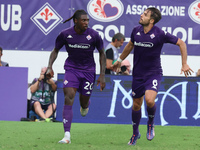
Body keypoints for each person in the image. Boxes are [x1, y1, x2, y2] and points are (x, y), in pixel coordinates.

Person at [112, 7, 193, 146]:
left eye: (145, 14)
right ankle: (135, 133)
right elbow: (130, 45)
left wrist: (184, 64)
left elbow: (181, 43)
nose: (141, 15)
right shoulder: (136, 31)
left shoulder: (160, 33)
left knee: (149, 100)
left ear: (152, 20)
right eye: (142, 13)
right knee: (136, 104)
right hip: (138, 74)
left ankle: (150, 122)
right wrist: (119, 60)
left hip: (153, 73)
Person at [45, 9, 106, 144]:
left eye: (87, 20)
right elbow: (55, 50)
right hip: (71, 69)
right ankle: (67, 135)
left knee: (83, 103)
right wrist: (50, 66)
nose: (86, 23)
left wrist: (102, 75)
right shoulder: (65, 34)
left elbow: (102, 53)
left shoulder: (94, 35)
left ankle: (85, 105)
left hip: (88, 71)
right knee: (69, 96)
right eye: (83, 20)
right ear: (76, 21)